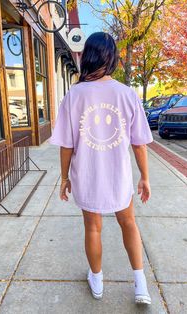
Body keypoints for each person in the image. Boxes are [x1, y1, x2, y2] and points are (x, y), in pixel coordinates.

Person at [49, 32, 153, 305]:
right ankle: (140, 284)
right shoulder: (127, 94)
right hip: (119, 176)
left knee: (92, 227)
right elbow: (139, 144)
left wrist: (63, 178)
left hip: (87, 175)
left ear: (88, 56)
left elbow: (66, 145)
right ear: (113, 57)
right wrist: (145, 177)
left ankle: (97, 280)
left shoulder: (74, 95)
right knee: (128, 223)